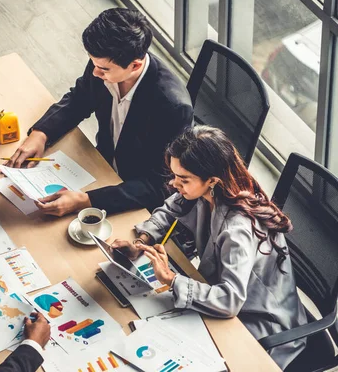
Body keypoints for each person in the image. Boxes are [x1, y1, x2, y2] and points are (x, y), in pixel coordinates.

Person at [109, 126, 307, 369]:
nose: (174, 184)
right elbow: (170, 210)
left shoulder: (237, 230)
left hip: (258, 321)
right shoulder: (209, 189)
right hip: (220, 295)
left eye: (183, 180)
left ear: (211, 180)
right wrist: (141, 243)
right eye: (174, 175)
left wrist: (171, 280)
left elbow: (230, 300)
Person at [6, 8, 193, 216]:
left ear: (135, 65)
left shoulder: (172, 107)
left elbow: (161, 184)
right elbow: (79, 99)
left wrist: (87, 201)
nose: (95, 72)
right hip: (100, 166)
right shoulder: (105, 62)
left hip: (133, 195)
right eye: (94, 63)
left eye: (103, 69)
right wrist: (41, 134)